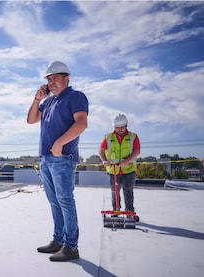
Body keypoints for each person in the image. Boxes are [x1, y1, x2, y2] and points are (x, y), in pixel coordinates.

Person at [27, 61, 88, 262]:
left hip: (62, 158)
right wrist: (37, 99)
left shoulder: (75, 97)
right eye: (49, 79)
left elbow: (81, 123)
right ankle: (58, 240)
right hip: (46, 158)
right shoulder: (49, 102)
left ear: (66, 78)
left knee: (65, 201)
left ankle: (71, 247)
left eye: (55, 78)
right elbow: (31, 119)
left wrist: (60, 143)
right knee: (54, 202)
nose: (52, 82)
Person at [99, 114, 141, 212]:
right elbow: (101, 150)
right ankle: (116, 210)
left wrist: (127, 161)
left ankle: (129, 211)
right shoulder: (108, 137)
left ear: (126, 125)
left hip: (128, 170)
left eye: (122, 127)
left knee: (128, 191)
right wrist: (104, 160)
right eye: (117, 127)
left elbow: (137, 151)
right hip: (113, 170)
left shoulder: (133, 137)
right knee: (115, 192)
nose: (119, 129)